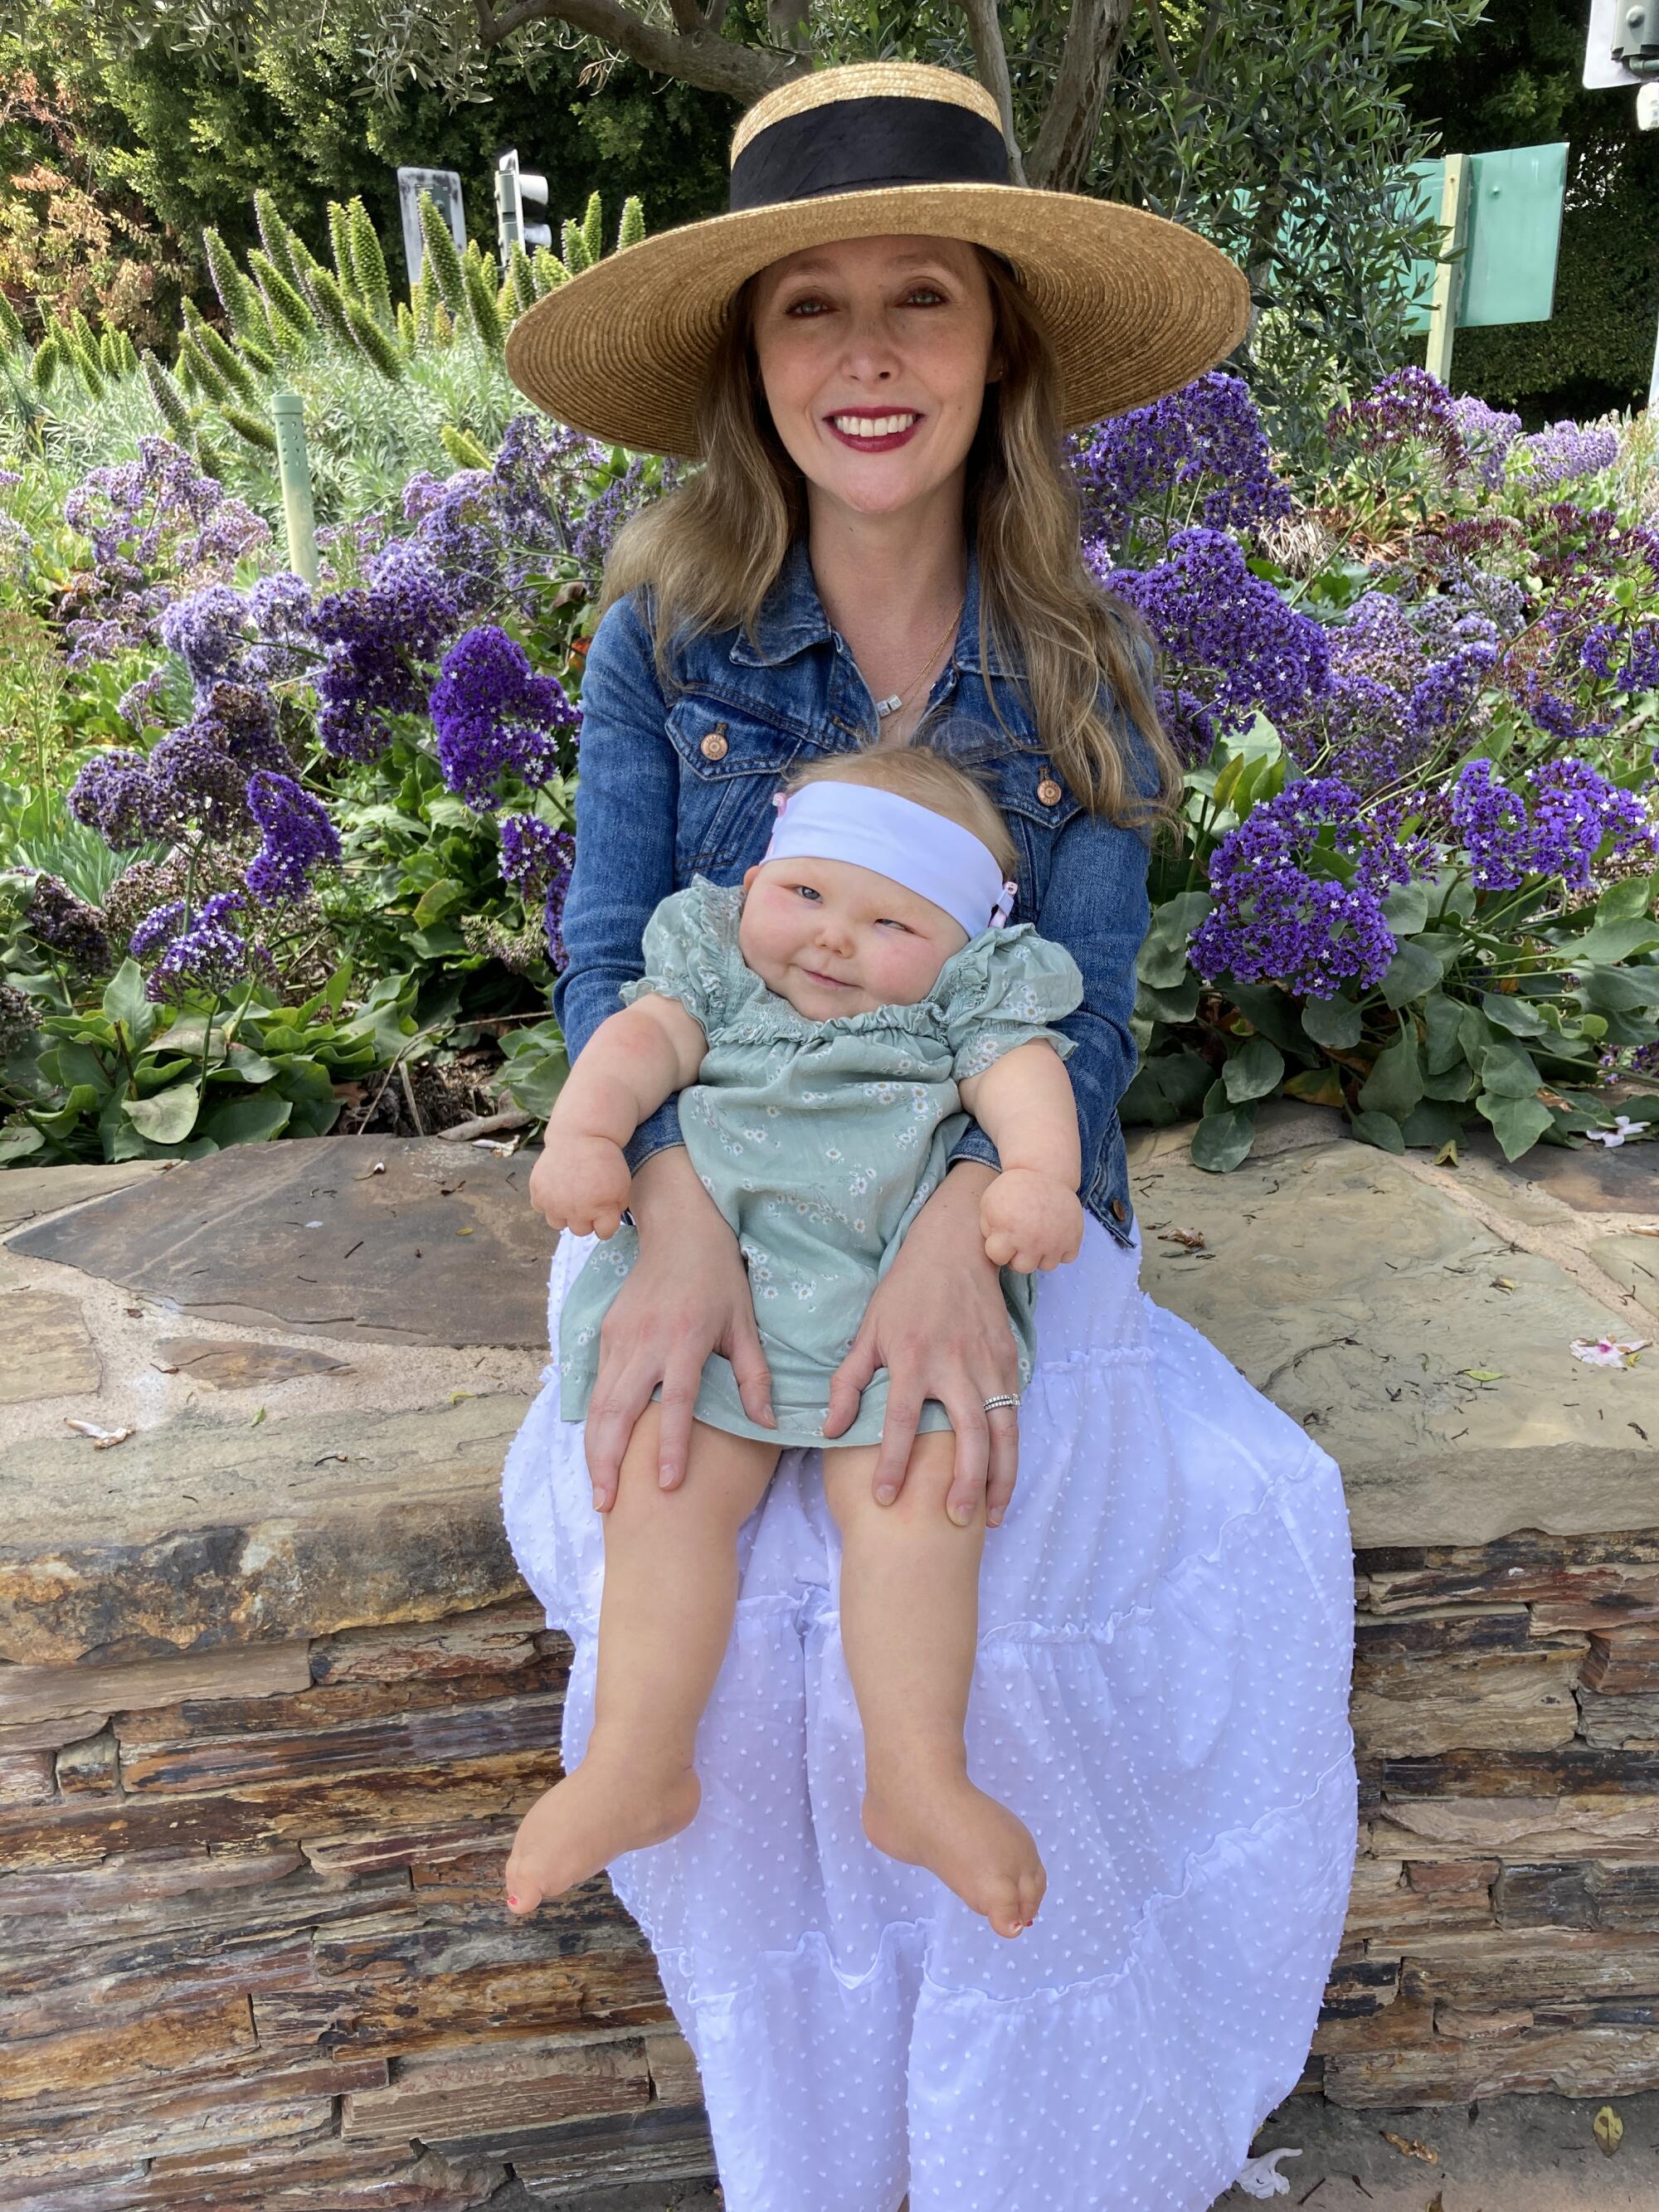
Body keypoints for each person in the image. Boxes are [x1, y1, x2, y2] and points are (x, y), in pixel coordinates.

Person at [498, 58, 1359, 2212]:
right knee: (683, 1505)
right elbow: (615, 970)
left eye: (926, 301)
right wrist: (667, 1209)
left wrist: (972, 1235)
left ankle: (1009, 2113)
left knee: (977, 1487)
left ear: (1006, 348)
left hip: (988, 1195)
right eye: (810, 305)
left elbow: (1083, 1022)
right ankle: (802, 2096)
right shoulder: (666, 646)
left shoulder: (1085, 665)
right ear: (745, 357)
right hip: (711, 1186)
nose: (869, 356)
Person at [507, 746, 1088, 1942]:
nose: (831, 940)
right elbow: (631, 1047)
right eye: (808, 894)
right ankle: (636, 1760)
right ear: (759, 877)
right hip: (715, 1298)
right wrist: (584, 1137)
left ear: (956, 949)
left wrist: (1034, 1176)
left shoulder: (961, 1007)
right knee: (664, 1491)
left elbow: (1029, 1082)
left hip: (891, 1310)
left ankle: (917, 1777)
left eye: (889, 920)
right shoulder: (715, 977)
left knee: (923, 1504)